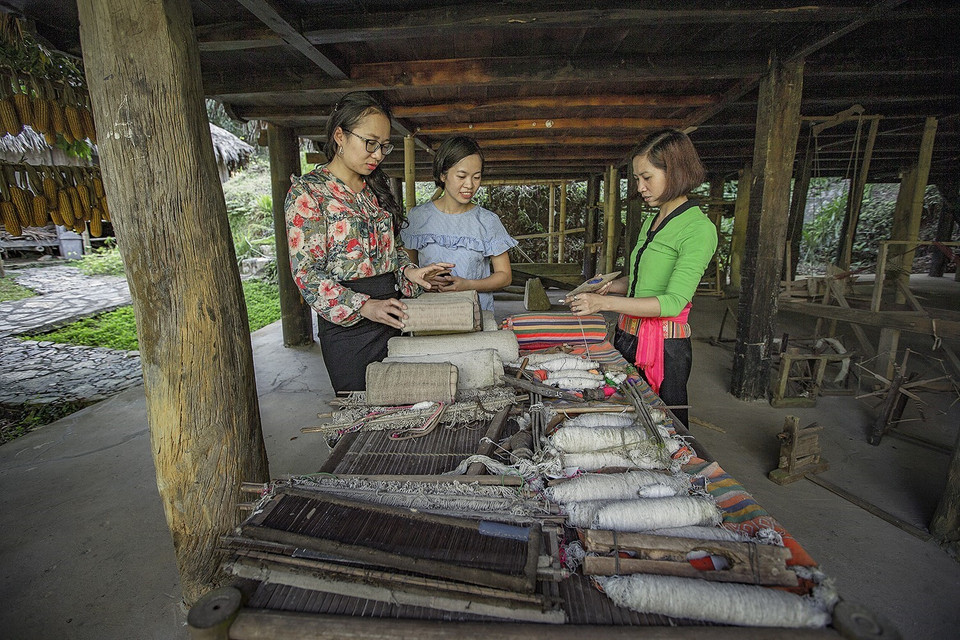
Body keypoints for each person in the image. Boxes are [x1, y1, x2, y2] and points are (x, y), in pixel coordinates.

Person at [285, 91, 452, 394]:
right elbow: (306, 274)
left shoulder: (376, 189)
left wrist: (411, 273)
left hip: (391, 312)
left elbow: (394, 254)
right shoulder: (309, 194)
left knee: (400, 405)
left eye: (384, 146)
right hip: (348, 325)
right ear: (340, 135)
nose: (377, 155)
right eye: (370, 143)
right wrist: (364, 306)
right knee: (360, 411)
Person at [568, 129, 717, 427]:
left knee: (665, 427)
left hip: (662, 348)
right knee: (624, 414)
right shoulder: (653, 219)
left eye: (646, 177)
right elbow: (639, 282)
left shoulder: (698, 229)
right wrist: (611, 286)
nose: (640, 187)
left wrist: (603, 303)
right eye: (637, 179)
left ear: (675, 172)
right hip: (628, 334)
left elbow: (673, 303)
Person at [401, 136, 517, 312]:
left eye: (476, 177)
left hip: (475, 316)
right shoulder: (417, 217)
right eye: (461, 176)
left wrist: (468, 284)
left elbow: (505, 276)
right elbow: (407, 268)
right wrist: (424, 280)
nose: (470, 185)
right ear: (443, 174)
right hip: (428, 315)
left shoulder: (488, 221)